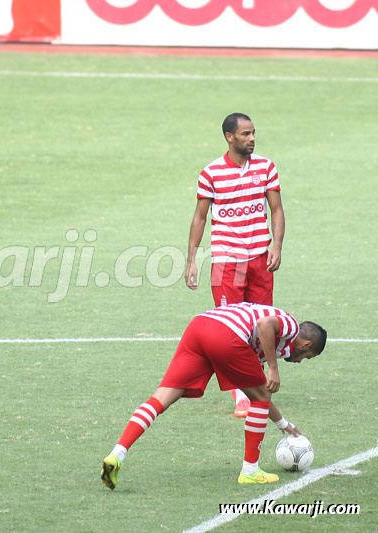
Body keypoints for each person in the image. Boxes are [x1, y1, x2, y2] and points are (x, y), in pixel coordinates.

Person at [100, 302, 326, 489]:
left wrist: (283, 423)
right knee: (260, 397)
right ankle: (250, 471)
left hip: (199, 327)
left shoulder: (270, 347)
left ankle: (117, 455)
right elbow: (265, 324)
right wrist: (274, 369)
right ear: (306, 344)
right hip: (225, 333)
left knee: (163, 397)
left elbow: (257, 390)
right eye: (307, 357)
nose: (299, 362)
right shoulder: (291, 325)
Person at [185, 112, 286, 418]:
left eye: (253, 133)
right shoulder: (211, 173)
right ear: (230, 137)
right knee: (231, 328)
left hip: (259, 259)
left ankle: (254, 384)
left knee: (260, 327)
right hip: (227, 262)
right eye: (245, 134)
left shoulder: (266, 167)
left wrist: (276, 245)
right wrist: (192, 260)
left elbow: (277, 210)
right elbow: (200, 217)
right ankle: (240, 394)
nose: (252, 138)